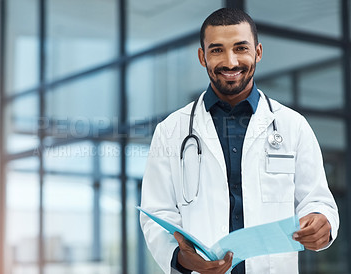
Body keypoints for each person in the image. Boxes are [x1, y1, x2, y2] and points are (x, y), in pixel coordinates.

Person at [139, 7, 339, 274]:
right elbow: (157, 214)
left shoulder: (293, 126)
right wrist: (183, 259)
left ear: (257, 52)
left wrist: (321, 223)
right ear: (202, 56)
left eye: (240, 48)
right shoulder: (170, 131)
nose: (230, 62)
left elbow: (317, 201)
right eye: (217, 50)